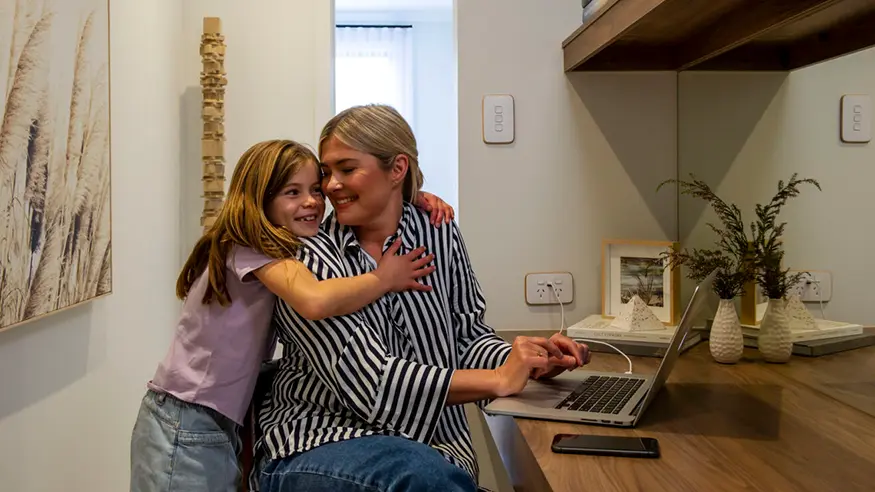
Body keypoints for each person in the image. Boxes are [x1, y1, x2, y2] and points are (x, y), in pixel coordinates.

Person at [257, 105, 591, 492]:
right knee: (420, 475)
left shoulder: (438, 232)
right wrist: (499, 379)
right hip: (322, 441)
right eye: (326, 173)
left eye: (347, 170)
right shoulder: (306, 256)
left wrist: (528, 360)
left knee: (432, 472)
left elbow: (466, 337)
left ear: (397, 169)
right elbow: (372, 385)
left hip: (434, 455)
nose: (330, 186)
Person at [129, 139, 455, 492]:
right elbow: (314, 300)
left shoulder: (275, 248)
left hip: (217, 420)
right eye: (292, 192)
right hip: (185, 417)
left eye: (315, 189)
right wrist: (383, 278)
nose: (312, 201)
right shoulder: (248, 246)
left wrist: (411, 197)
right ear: (260, 199)